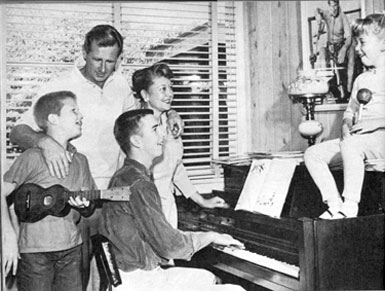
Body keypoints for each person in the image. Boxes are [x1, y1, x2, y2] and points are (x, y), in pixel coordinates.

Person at [8, 24, 183, 289]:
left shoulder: (122, 85)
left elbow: (141, 119)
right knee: (75, 279)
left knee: (110, 278)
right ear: (84, 53)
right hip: (69, 202)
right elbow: (17, 131)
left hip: (111, 198)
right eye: (96, 60)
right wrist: (43, 141)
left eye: (110, 62)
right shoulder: (62, 85)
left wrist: (170, 113)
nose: (102, 68)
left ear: (119, 60)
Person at [99, 109, 246, 291]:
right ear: (136, 141)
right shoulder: (139, 184)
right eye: (154, 129)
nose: (162, 134)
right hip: (139, 282)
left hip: (129, 273)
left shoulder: (124, 175)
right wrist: (211, 236)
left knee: (207, 277)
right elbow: (169, 246)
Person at [2, 91, 96, 291]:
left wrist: (86, 205)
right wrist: (8, 236)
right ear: (53, 119)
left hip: (72, 250)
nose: (81, 116)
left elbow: (89, 205)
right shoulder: (32, 157)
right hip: (35, 254)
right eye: (74, 111)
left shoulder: (81, 161)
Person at [304, 13, 385, 219]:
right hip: (359, 141)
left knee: (351, 145)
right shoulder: (361, 79)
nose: (356, 48)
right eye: (356, 43)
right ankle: (334, 203)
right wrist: (346, 123)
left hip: (381, 139)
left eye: (362, 42)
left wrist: (373, 123)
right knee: (312, 154)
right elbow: (350, 109)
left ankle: (350, 205)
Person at [131, 63, 228, 228]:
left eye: (170, 87)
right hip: (143, 211)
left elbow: (176, 169)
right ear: (145, 95)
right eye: (163, 89)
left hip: (168, 208)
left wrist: (202, 201)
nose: (170, 94)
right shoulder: (135, 130)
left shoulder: (170, 125)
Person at [312, 0, 353, 98]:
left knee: (343, 71)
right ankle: (332, 90)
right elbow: (318, 10)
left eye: (335, 6)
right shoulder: (326, 13)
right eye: (331, 6)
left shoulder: (343, 17)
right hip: (330, 46)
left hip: (340, 46)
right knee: (323, 57)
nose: (333, 9)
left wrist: (343, 49)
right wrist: (317, 15)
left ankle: (347, 94)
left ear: (338, 5)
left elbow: (349, 38)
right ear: (328, 6)